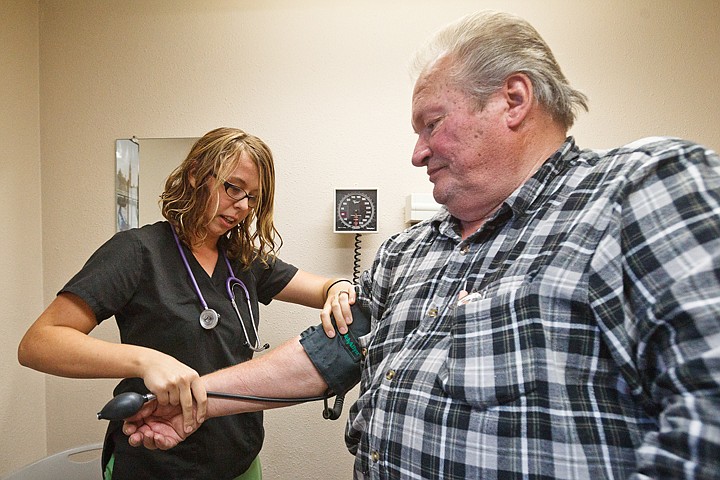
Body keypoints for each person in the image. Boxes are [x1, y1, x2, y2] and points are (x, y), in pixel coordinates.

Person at [123, 11, 720, 479]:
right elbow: (326, 358)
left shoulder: (638, 191)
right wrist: (199, 399)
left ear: (514, 99)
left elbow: (706, 415)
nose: (417, 152)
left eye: (431, 123)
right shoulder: (408, 252)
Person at [17, 127, 356, 480]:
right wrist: (146, 360)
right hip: (156, 459)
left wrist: (338, 287)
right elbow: (39, 342)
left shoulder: (242, 260)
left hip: (238, 460)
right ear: (195, 175)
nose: (242, 205)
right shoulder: (136, 252)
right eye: (233, 187)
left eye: (253, 197)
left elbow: (324, 286)